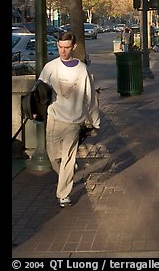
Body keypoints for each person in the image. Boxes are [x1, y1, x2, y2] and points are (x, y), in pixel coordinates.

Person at [37, 32, 100, 208]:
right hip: (54, 119)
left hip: (74, 121)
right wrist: (35, 111)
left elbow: (90, 98)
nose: (63, 51)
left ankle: (63, 194)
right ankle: (67, 172)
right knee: (54, 157)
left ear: (74, 47)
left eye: (66, 48)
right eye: (60, 47)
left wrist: (95, 121)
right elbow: (38, 91)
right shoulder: (50, 67)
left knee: (68, 158)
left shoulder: (82, 70)